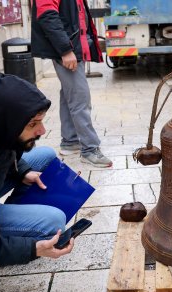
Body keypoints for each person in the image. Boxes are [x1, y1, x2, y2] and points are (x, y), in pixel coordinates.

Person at [0, 73, 74, 292]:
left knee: (45, 155)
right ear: (6, 125)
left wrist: (23, 171)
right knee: (54, 222)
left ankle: (10, 220)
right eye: (33, 124)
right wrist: (31, 249)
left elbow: (5, 148)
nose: (42, 131)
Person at [31, 0, 113, 168]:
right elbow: (47, 16)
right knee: (80, 98)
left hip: (74, 48)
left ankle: (70, 141)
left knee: (69, 94)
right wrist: (65, 50)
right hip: (67, 50)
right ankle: (89, 149)